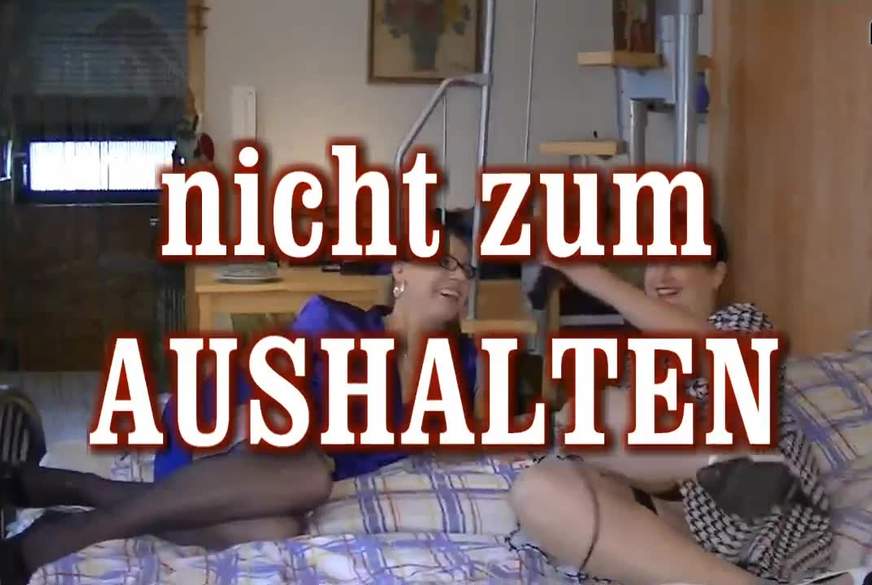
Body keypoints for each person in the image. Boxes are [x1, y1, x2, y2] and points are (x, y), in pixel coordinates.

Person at [0, 212, 481, 584]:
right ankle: (70, 535)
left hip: (277, 483)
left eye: (467, 269)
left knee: (279, 530)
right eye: (444, 262)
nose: (459, 278)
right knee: (311, 475)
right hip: (231, 431)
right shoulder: (334, 323)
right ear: (400, 268)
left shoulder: (462, 365)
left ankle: (85, 491)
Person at [508, 222, 836, 585]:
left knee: (599, 412)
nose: (661, 273)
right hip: (696, 535)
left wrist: (589, 274)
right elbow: (655, 478)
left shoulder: (743, 323)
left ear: (717, 274)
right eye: (652, 261)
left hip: (767, 518)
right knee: (537, 489)